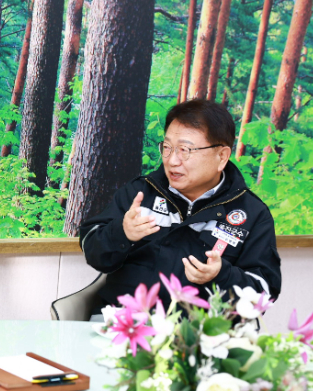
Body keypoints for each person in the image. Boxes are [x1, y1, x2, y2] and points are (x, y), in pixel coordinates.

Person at [81, 99, 281, 316]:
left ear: (222, 156)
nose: (172, 160)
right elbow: (93, 251)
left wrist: (222, 274)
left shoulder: (251, 214)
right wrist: (122, 233)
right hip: (124, 324)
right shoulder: (141, 192)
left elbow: (264, 295)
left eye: (185, 150)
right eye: (167, 148)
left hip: (198, 336)